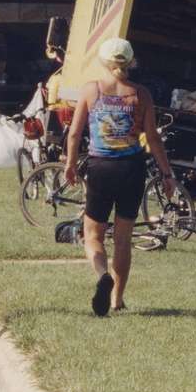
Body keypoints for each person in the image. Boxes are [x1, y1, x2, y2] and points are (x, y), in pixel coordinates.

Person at [63, 38, 177, 316]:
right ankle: (117, 299)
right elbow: (152, 138)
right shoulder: (142, 94)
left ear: (104, 60)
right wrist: (167, 173)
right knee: (123, 240)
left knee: (92, 236)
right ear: (129, 62)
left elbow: (76, 132)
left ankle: (103, 274)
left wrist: (69, 163)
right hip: (132, 169)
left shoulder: (91, 90)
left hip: (101, 169)